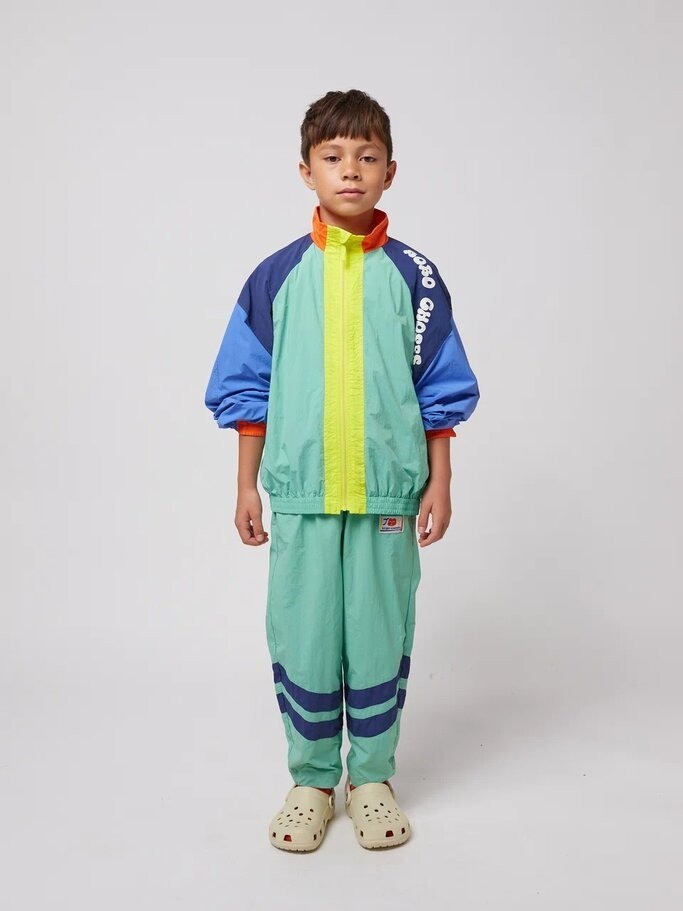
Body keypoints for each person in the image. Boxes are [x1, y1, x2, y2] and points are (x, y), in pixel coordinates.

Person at [204, 89, 480, 852]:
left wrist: (440, 479)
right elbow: (247, 388)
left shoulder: (416, 279)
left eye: (366, 156)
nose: (350, 170)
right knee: (304, 632)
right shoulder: (276, 278)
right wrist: (245, 484)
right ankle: (311, 779)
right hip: (300, 496)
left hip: (390, 495)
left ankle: (372, 778)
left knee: (379, 632)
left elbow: (438, 389)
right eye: (333, 157)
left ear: (390, 171)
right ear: (306, 171)